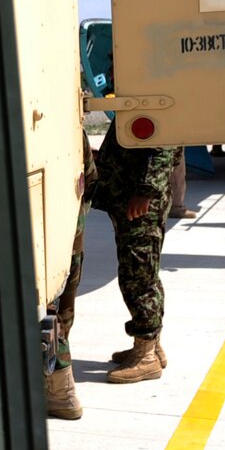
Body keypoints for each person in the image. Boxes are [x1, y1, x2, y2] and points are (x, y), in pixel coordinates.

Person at [92, 125, 177, 383]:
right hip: (129, 196)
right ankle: (151, 344)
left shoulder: (154, 94)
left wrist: (145, 191)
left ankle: (146, 358)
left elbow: (165, 145)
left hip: (139, 202)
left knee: (137, 276)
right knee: (143, 273)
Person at [44, 128, 96, 421]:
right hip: (69, 233)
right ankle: (58, 388)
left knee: (47, 310)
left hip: (48, 237)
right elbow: (91, 177)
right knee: (61, 309)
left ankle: (61, 393)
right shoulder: (70, 126)